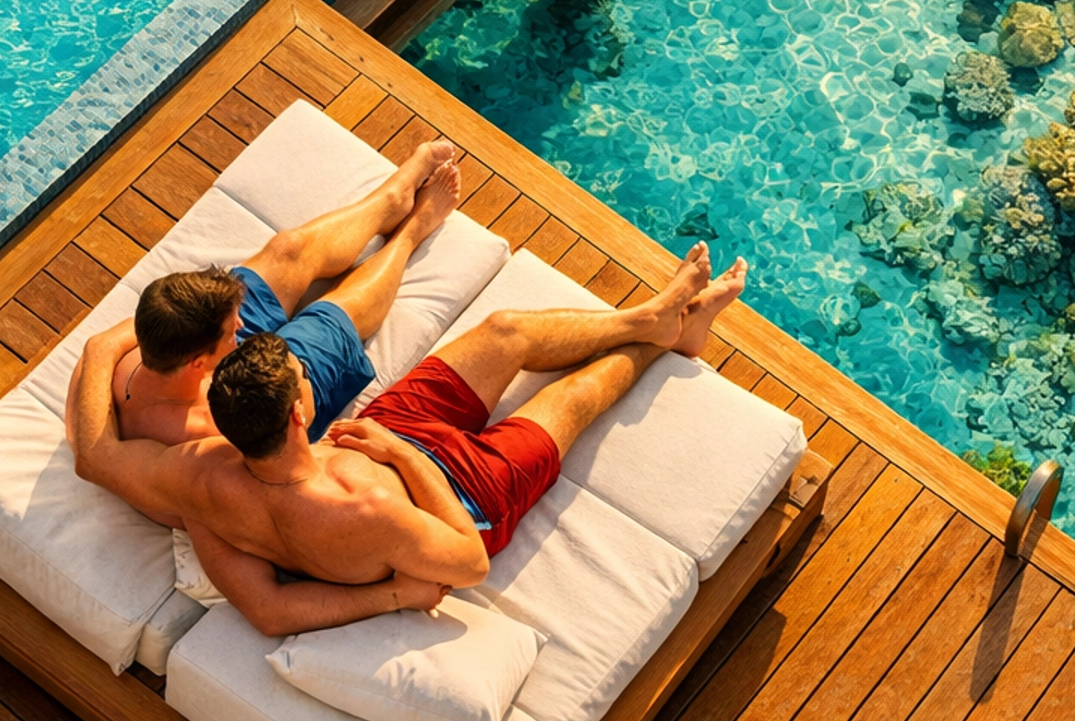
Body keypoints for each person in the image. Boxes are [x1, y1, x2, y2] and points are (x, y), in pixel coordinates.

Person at [68, 241, 748, 636]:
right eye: (302, 385)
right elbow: (467, 563)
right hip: (461, 491)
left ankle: (649, 318)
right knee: (573, 396)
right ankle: (666, 345)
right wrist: (400, 474)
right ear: (301, 416)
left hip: (387, 429)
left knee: (507, 330)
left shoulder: (199, 474)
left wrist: (109, 338)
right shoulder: (362, 510)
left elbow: (94, 456)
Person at [111, 142, 461, 446]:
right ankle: (412, 231)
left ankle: (390, 199)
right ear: (198, 362)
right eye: (232, 326)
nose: (240, 321)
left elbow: (100, 345)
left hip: (210, 367)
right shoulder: (206, 435)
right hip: (264, 398)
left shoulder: (129, 354)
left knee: (286, 249)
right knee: (333, 316)